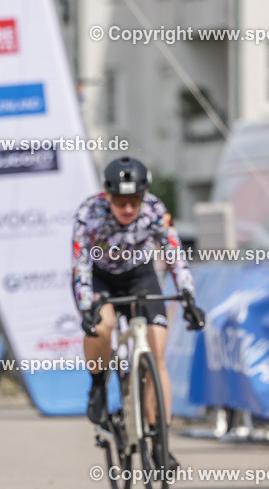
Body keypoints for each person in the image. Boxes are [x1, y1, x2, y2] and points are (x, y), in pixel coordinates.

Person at [72, 156, 205, 465]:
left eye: (135, 201)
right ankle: (97, 385)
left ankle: (160, 440)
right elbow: (80, 266)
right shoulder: (89, 212)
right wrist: (87, 306)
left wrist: (188, 296)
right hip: (101, 277)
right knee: (101, 326)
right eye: (121, 201)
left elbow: (174, 253)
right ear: (108, 196)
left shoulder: (155, 210)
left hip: (139, 275)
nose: (129, 209)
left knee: (157, 351)